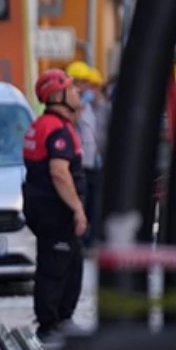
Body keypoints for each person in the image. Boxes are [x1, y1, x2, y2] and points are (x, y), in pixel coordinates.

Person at [22, 69, 87, 342]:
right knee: (56, 265)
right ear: (58, 95)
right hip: (55, 210)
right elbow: (59, 172)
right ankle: (50, 325)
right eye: (72, 89)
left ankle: (62, 318)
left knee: (71, 263)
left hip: (42, 208)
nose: (78, 94)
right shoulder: (56, 129)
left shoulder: (42, 125)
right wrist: (77, 209)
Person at [66, 61, 104, 246]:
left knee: (94, 204)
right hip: (79, 163)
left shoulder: (91, 106)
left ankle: (91, 239)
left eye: (86, 83)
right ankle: (80, 240)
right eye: (80, 82)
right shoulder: (72, 105)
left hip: (93, 162)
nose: (84, 87)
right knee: (81, 203)